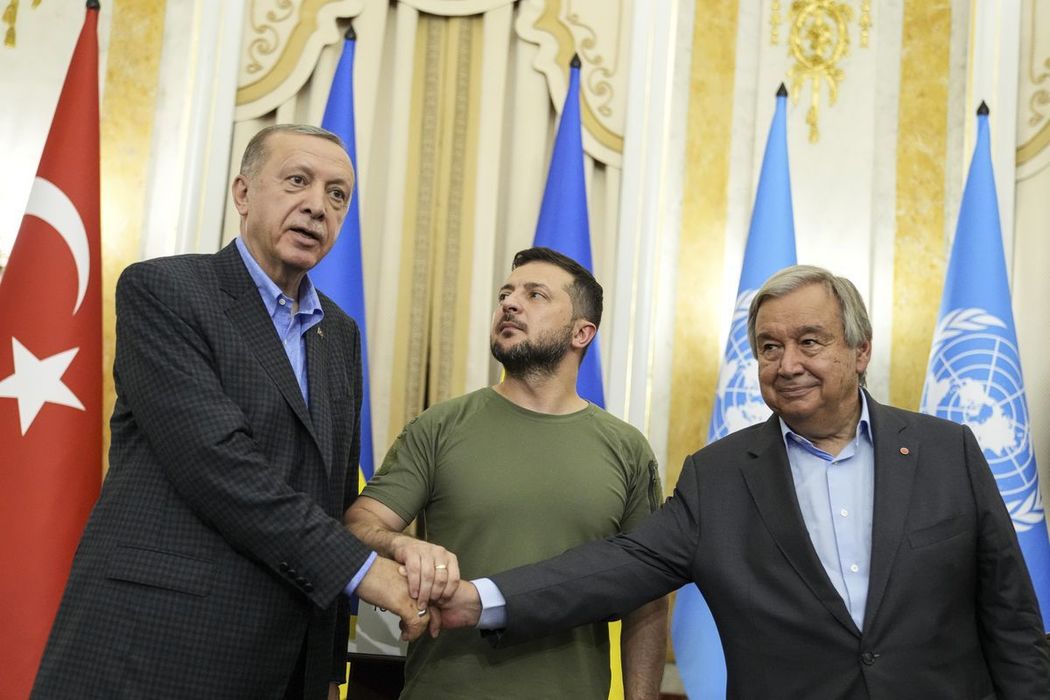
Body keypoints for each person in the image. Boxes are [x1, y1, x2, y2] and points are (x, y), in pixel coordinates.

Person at [435, 264, 1050, 698]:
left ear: (860, 351)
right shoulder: (720, 477)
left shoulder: (947, 452)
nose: (788, 365)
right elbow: (616, 567)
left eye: (810, 342)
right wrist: (480, 599)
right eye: (769, 347)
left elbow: (1013, 620)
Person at [32, 124, 429, 700]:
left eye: (337, 194)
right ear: (243, 194)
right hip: (155, 646)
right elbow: (218, 465)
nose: (317, 206)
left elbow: (334, 494)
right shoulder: (165, 290)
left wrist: (333, 658)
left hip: (286, 660)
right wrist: (364, 572)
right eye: (297, 181)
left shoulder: (339, 334)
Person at [346, 247, 667, 699]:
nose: (510, 304)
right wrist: (402, 544)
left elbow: (647, 595)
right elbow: (357, 526)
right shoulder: (439, 426)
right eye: (505, 295)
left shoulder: (628, 449)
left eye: (535, 295)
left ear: (582, 333)